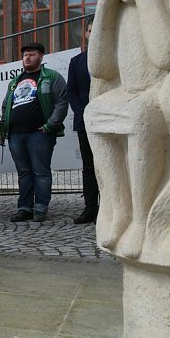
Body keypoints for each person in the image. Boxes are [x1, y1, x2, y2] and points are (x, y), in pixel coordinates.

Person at [1, 42, 68, 223]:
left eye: (31, 54)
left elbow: (61, 103)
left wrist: (50, 125)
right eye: (24, 55)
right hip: (16, 134)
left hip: (40, 134)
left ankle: (40, 208)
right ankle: (24, 208)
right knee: (23, 172)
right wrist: (4, 126)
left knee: (40, 171)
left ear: (41, 57)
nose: (27, 58)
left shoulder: (51, 77)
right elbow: (6, 104)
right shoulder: (15, 81)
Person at [67, 20, 98, 224]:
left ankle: (111, 209)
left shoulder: (115, 57)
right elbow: (72, 90)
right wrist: (82, 112)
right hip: (85, 121)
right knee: (89, 167)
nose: (93, 33)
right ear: (85, 34)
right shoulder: (77, 62)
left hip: (108, 118)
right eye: (89, 30)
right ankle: (90, 208)